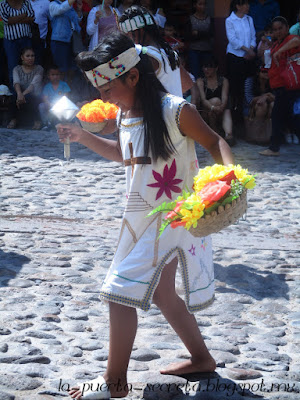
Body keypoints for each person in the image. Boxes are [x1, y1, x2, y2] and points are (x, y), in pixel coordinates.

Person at [56, 31, 234, 400]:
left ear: (133, 76)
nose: (102, 97)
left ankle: (114, 382)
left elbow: (215, 142)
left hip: (173, 215)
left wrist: (229, 179)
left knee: (119, 290)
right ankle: (202, 359)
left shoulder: (175, 110)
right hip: (137, 217)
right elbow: (127, 155)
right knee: (164, 294)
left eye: (107, 88)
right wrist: (81, 136)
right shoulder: (126, 113)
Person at [118, 5, 192, 97]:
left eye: (127, 35)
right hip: (177, 109)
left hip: (157, 111)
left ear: (139, 31)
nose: (127, 39)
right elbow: (187, 84)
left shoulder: (145, 55)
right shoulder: (170, 53)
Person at [259, 16, 300, 156]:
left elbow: (297, 41)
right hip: (279, 86)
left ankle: (274, 148)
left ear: (287, 28)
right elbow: (268, 63)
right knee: (291, 119)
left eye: (280, 28)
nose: (278, 32)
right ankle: (274, 147)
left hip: (288, 86)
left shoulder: (290, 39)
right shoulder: (276, 44)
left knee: (278, 116)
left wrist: (279, 51)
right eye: (275, 30)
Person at [225, 0, 256, 131]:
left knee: (247, 87)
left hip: (248, 58)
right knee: (235, 89)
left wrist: (251, 49)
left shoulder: (249, 19)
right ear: (238, 6)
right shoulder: (230, 20)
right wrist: (247, 50)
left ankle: (246, 119)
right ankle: (235, 121)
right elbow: (232, 40)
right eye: (245, 4)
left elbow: (253, 36)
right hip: (235, 57)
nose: (248, 6)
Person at [197, 57, 234, 146]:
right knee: (216, 101)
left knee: (226, 108)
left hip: (221, 109)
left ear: (216, 68)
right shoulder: (200, 81)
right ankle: (215, 132)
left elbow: (224, 97)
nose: (206, 70)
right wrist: (213, 107)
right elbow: (203, 99)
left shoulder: (223, 80)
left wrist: (221, 107)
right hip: (206, 111)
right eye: (204, 67)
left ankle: (228, 134)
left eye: (209, 67)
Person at [0, 0, 35, 87]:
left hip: (26, 39)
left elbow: (32, 18)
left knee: (28, 65)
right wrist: (23, 16)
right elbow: (7, 21)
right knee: (13, 68)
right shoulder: (3, 4)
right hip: (11, 42)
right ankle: (16, 94)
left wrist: (14, 19)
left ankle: (28, 93)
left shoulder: (26, 2)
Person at [7, 47, 43, 129]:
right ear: (22, 57)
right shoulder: (17, 69)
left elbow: (33, 84)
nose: (30, 58)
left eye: (32, 56)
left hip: (34, 94)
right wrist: (19, 94)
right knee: (12, 96)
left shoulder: (39, 69)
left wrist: (22, 95)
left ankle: (37, 121)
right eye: (28, 56)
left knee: (30, 97)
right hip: (21, 93)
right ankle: (13, 119)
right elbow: (16, 82)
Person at [49, 0, 82, 81]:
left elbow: (77, 20)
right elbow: (60, 9)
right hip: (59, 41)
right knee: (61, 68)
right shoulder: (53, 5)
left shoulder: (70, 6)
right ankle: (61, 90)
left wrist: (79, 10)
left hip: (72, 40)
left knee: (72, 67)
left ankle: (68, 89)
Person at [186, 0, 214, 80]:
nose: (203, 6)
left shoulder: (209, 19)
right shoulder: (190, 19)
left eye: (204, 4)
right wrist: (204, 34)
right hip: (194, 51)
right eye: (200, 4)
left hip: (207, 50)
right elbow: (188, 36)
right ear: (195, 5)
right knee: (195, 74)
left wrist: (197, 33)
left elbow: (211, 34)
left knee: (208, 74)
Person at [30, 0, 50, 64]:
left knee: (38, 66)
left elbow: (52, 20)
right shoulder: (23, 2)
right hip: (25, 39)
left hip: (40, 39)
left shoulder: (46, 2)